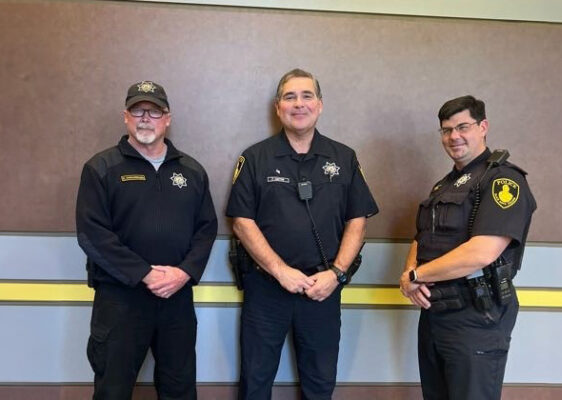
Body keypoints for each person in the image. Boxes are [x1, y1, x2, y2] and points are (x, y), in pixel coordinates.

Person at [226, 68, 378, 399]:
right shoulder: (255, 158)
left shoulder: (343, 158)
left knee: (320, 384)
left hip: (323, 290)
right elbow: (241, 221)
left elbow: (358, 220)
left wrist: (336, 274)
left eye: (307, 95)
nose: (299, 104)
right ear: (278, 106)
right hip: (266, 289)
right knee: (255, 381)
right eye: (289, 97)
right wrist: (281, 272)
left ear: (320, 105)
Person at [76, 80, 217, 399]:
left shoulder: (191, 171)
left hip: (176, 298)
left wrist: (183, 273)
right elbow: (91, 233)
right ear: (125, 116)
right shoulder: (101, 168)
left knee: (179, 388)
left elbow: (206, 229)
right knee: (112, 389)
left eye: (154, 112)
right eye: (138, 110)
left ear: (167, 119)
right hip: (120, 299)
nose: (145, 118)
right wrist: (145, 274)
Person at [400, 95, 536, 400]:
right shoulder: (444, 185)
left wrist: (416, 276)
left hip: (476, 316)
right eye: (447, 130)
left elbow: (482, 252)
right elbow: (422, 236)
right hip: (436, 314)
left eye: (463, 127)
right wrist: (409, 271)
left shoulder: (502, 180)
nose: (454, 136)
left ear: (483, 126)